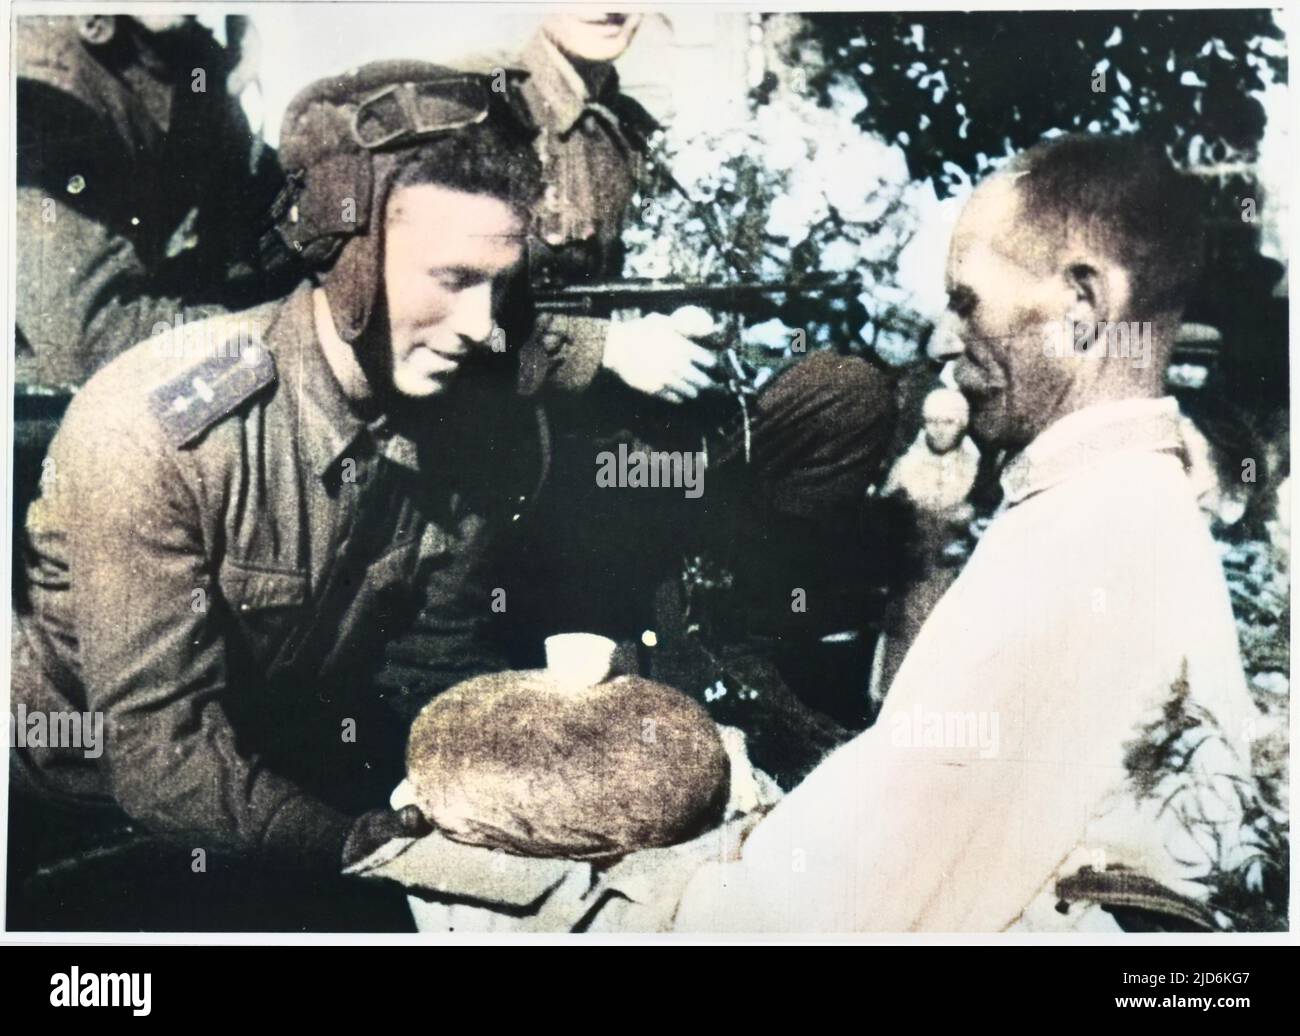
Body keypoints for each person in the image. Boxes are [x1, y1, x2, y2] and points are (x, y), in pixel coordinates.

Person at [672, 134, 1264, 932]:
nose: (946, 344)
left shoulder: (1085, 546)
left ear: (1084, 307)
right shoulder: (1125, 501)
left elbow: (843, 913)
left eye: (966, 302)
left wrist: (673, 888)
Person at [8, 62, 546, 932]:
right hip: (78, 815)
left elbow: (434, 660)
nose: (486, 327)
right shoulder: (155, 429)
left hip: (285, 776)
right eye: (451, 279)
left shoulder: (476, 429)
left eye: (503, 286)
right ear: (347, 259)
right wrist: (363, 849)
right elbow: (164, 765)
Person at [462, 13, 899, 773]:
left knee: (843, 398)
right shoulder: (479, 106)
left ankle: (734, 633)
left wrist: (676, 321)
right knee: (651, 483)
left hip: (621, 443)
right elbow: (448, 315)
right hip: (519, 456)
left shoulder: (626, 129)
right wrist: (606, 349)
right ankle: (677, 651)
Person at [15, 14, 292, 387]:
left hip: (138, 334)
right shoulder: (43, 88)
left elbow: (256, 201)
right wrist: (273, 326)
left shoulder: (183, 55)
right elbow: (89, 343)